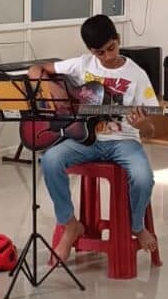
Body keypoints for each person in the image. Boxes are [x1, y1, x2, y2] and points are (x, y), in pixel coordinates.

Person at [28, 15, 158, 262]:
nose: (108, 56)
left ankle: (137, 225)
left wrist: (144, 124)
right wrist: (51, 87)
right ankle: (69, 224)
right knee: (50, 161)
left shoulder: (137, 74)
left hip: (124, 141)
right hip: (82, 138)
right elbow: (35, 69)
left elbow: (151, 129)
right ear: (90, 51)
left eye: (112, 48)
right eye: (100, 53)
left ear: (118, 40)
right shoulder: (82, 64)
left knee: (144, 177)